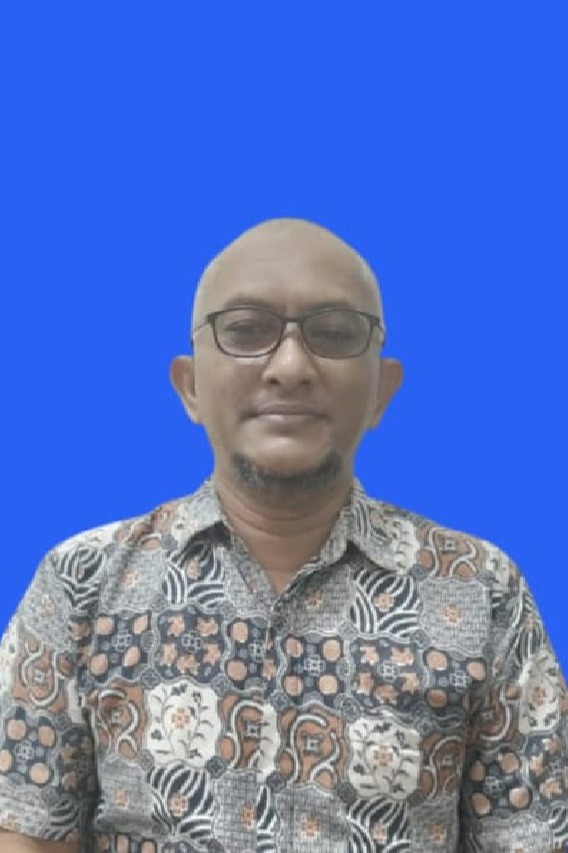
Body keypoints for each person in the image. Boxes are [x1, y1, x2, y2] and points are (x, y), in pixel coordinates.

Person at [0, 218, 566, 853]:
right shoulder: (81, 584)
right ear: (189, 386)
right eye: (246, 330)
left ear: (381, 392)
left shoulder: (481, 592)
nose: (290, 366)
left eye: (334, 333)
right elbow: (28, 836)